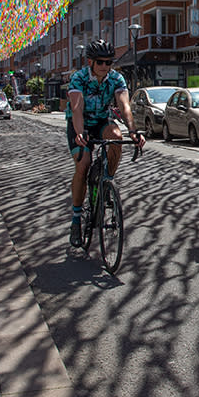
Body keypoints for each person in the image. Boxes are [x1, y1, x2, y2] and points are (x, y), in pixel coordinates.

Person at [66, 39, 146, 249]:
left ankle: (106, 182)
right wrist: (80, 132)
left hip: (101, 121)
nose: (104, 66)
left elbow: (124, 105)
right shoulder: (79, 78)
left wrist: (133, 130)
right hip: (80, 123)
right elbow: (76, 108)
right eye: (100, 62)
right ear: (91, 62)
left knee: (116, 137)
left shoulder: (116, 79)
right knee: (82, 166)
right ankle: (76, 220)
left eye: (108, 62)